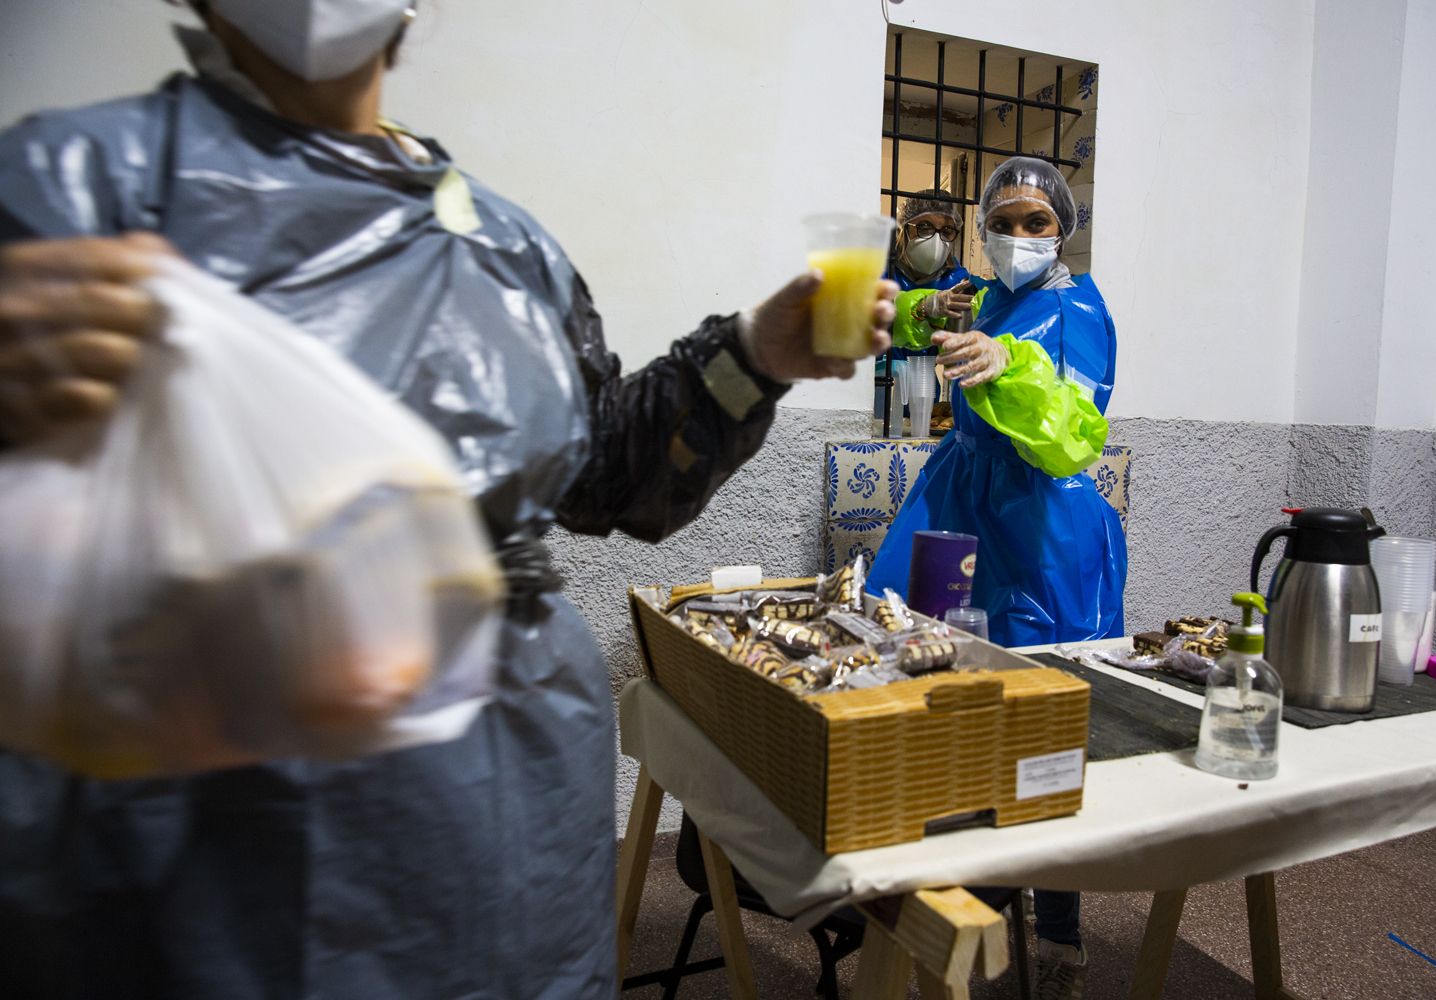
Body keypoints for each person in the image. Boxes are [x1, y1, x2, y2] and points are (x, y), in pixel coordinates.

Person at [0, 3, 895, 998]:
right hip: (219, 811)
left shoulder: (504, 246)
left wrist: (753, 356)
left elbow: (607, 473)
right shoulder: (80, 187)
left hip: (504, 800)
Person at [866, 157, 1125, 1000]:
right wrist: (918, 307)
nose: (1018, 236)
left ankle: (1058, 932)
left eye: (1037, 222)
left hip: (1043, 530)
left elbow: (1075, 435)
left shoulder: (1079, 309)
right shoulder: (985, 293)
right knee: (934, 680)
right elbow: (913, 319)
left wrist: (1006, 366)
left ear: (1065, 231)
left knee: (1042, 717)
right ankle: (948, 886)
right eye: (1003, 220)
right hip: (962, 503)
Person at [876, 188, 974, 430]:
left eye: (947, 231)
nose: (935, 239)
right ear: (905, 228)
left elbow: (959, 351)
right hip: (879, 384)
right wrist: (922, 306)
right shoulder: (879, 269)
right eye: (925, 227)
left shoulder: (957, 281)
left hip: (924, 393)